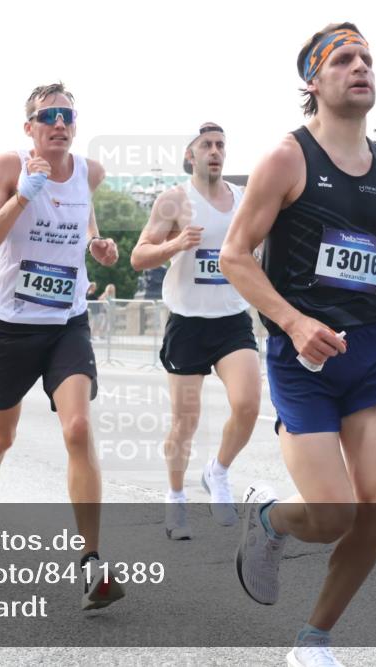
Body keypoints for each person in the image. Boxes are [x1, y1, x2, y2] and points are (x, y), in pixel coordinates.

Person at [219, 23, 376, 667]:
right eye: (345, 59)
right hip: (303, 361)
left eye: (368, 59)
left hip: (372, 352)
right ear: (313, 81)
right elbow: (235, 257)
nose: (361, 68)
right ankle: (269, 522)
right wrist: (294, 323)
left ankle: (313, 639)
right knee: (333, 513)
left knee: (375, 505)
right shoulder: (287, 159)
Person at [0, 83, 124, 611]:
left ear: (75, 126)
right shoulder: (10, 168)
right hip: (10, 326)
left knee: (77, 429)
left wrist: (99, 246)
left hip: (66, 324)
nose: (59, 123)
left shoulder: (89, 172)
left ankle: (93, 564)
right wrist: (23, 194)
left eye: (67, 115)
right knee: (0, 437)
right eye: (47, 116)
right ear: (29, 127)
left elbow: (83, 220)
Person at [130, 123, 259, 540]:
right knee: (185, 421)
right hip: (187, 321)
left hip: (232, 319)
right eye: (206, 145)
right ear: (191, 156)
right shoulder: (175, 200)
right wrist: (175, 244)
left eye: (221, 144)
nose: (215, 151)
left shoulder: (243, 199)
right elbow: (139, 256)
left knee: (248, 405)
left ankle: (217, 472)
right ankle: (175, 499)